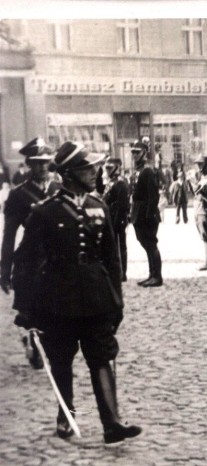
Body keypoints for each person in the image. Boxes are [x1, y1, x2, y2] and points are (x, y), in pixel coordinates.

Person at [12, 141, 142, 443]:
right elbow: (26, 260)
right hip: (59, 300)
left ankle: (112, 422)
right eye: (87, 169)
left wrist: (116, 300)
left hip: (97, 298)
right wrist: (26, 307)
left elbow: (111, 258)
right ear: (70, 174)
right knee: (61, 359)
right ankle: (65, 415)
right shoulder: (45, 212)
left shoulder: (100, 206)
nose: (94, 172)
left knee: (102, 356)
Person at [1, 137, 59, 369]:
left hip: (57, 256)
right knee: (32, 307)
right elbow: (8, 236)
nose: (42, 167)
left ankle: (48, 342)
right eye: (36, 162)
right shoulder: (19, 195)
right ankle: (33, 341)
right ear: (29, 164)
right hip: (32, 258)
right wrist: (4, 270)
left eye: (45, 162)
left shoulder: (59, 188)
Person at [129, 137, 163, 287]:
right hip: (138, 213)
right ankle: (152, 275)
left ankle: (157, 276)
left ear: (144, 153)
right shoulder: (138, 171)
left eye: (137, 152)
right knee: (146, 245)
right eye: (133, 153)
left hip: (146, 215)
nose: (135, 155)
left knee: (151, 245)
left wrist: (149, 215)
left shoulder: (148, 170)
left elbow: (153, 195)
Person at [102, 158, 130, 282]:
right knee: (113, 246)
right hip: (111, 217)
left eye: (110, 168)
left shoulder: (120, 182)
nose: (107, 170)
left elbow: (122, 204)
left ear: (117, 167)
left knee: (120, 246)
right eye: (106, 168)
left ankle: (122, 273)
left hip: (118, 219)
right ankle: (116, 271)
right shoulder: (111, 182)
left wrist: (117, 221)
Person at [191, 155, 207, 271]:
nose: (199, 166)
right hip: (198, 208)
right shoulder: (200, 177)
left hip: (205, 209)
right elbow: (195, 192)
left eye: (201, 164)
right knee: (203, 235)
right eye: (198, 164)